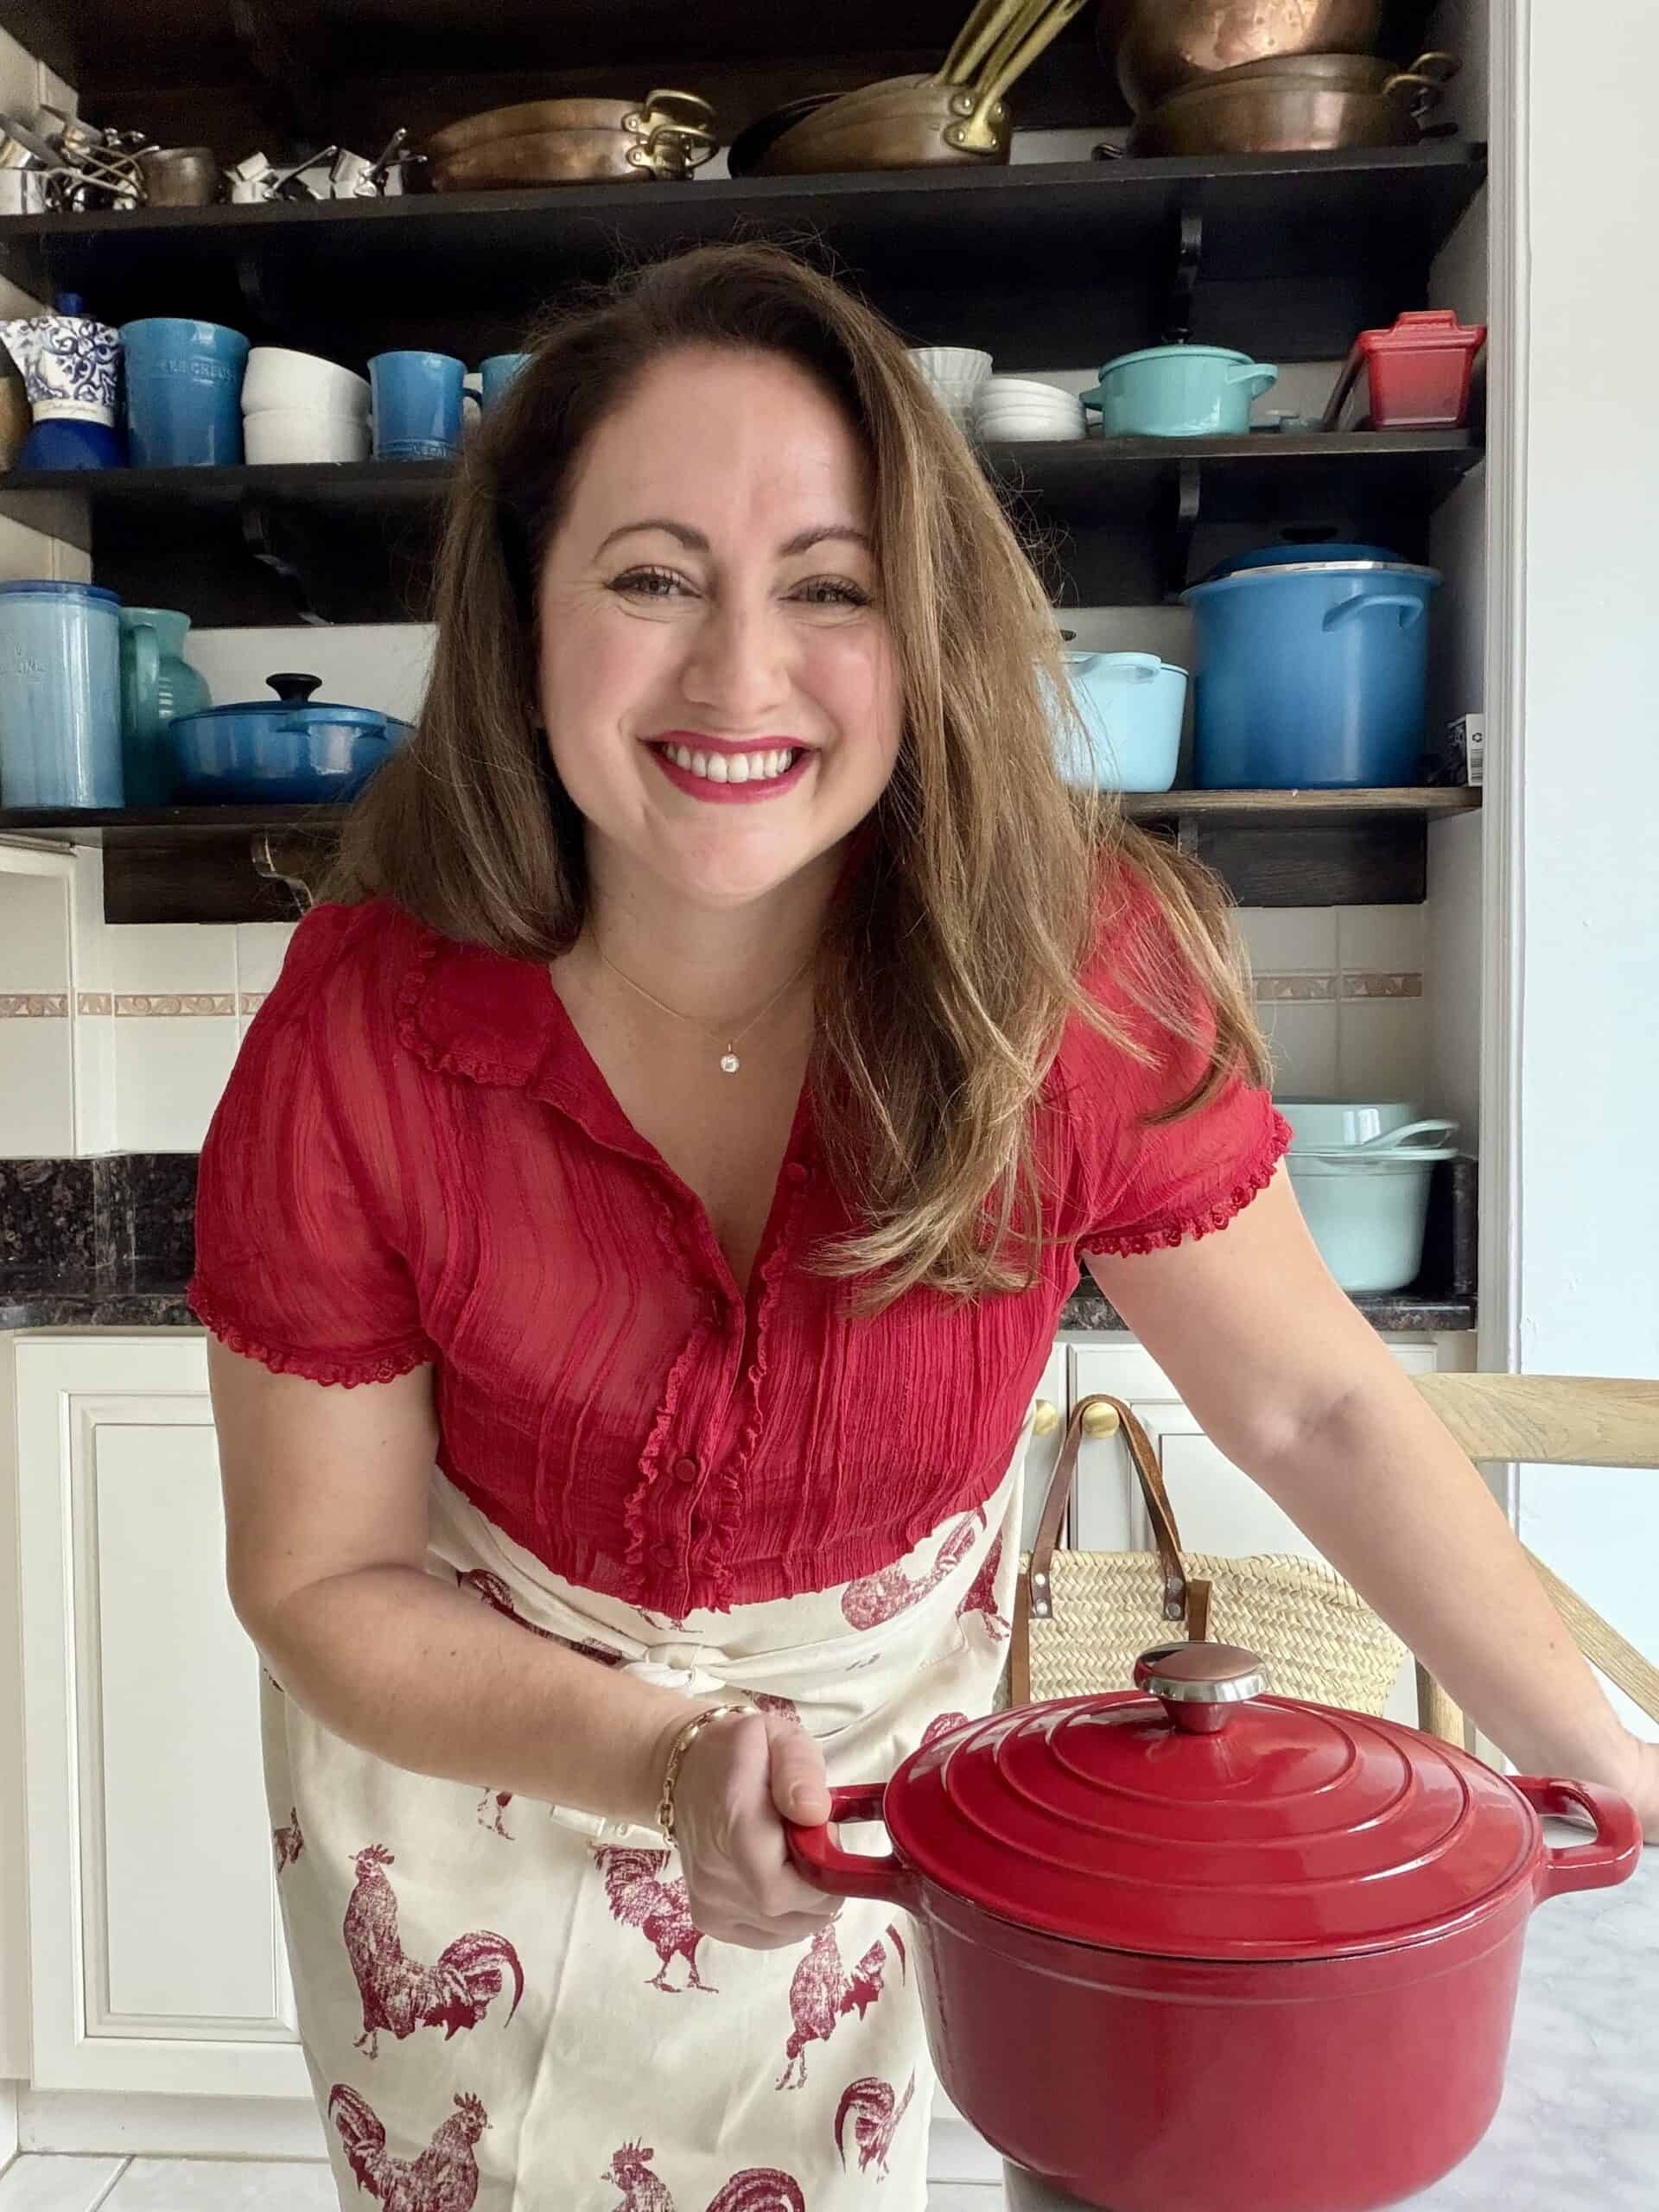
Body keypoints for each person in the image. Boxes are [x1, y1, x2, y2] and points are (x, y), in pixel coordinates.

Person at [194, 241, 1655, 2212]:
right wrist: (661, 1755)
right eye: (650, 576)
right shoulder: (359, 1028)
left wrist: (1603, 1744)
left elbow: (1308, 1402)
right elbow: (325, 1574)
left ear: (926, 630)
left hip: (864, 1809)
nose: (738, 674)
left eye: (830, 587)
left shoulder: (1067, 971)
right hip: (475, 1790)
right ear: (524, 613)